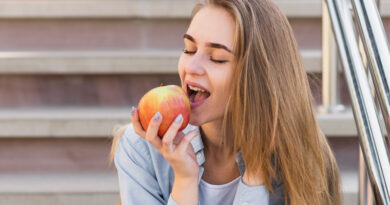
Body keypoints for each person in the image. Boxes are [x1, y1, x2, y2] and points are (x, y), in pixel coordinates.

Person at [111, 0, 342, 204]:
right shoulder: (141, 148)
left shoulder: (297, 158)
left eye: (217, 59)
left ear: (258, 76)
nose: (191, 67)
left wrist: (256, 176)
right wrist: (185, 180)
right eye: (189, 50)